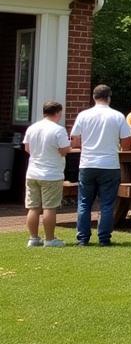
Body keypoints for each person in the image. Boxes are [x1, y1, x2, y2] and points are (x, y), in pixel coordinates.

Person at [70, 84, 131, 246]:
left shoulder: (83, 115)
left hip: (88, 162)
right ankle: (104, 238)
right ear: (109, 97)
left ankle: (83, 238)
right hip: (109, 164)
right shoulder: (117, 116)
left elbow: (75, 139)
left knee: (84, 202)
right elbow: (127, 143)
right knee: (107, 204)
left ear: (94, 97)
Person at [23, 100, 72, 248]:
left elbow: (27, 148)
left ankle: (33, 238)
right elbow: (65, 150)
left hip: (32, 172)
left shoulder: (32, 128)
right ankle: (50, 239)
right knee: (49, 207)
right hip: (51, 173)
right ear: (58, 112)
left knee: (33, 207)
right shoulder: (58, 129)